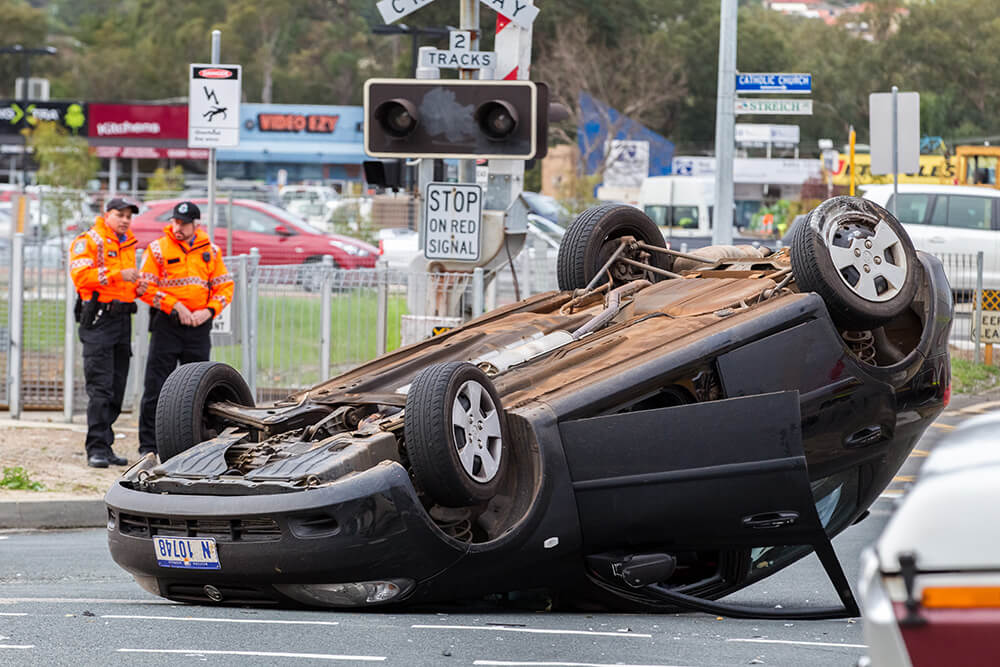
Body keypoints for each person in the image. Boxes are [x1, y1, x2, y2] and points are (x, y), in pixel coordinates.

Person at [137, 201, 234, 458]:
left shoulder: (211, 251)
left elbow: (225, 287)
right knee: (156, 385)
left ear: (195, 225)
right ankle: (148, 445)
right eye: (175, 222)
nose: (177, 227)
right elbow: (144, 287)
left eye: (183, 223)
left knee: (198, 388)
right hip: (167, 324)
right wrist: (175, 306)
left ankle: (197, 444)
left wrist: (208, 311)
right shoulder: (158, 249)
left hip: (199, 326)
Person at [69, 197, 140, 468]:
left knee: (116, 388)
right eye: (119, 214)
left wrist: (138, 287)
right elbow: (81, 277)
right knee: (100, 388)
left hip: (122, 321)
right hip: (99, 320)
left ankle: (106, 444)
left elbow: (125, 283)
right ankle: (95, 448)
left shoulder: (128, 243)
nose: (124, 220)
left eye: (128, 216)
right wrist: (118, 273)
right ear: (106, 214)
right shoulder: (89, 240)